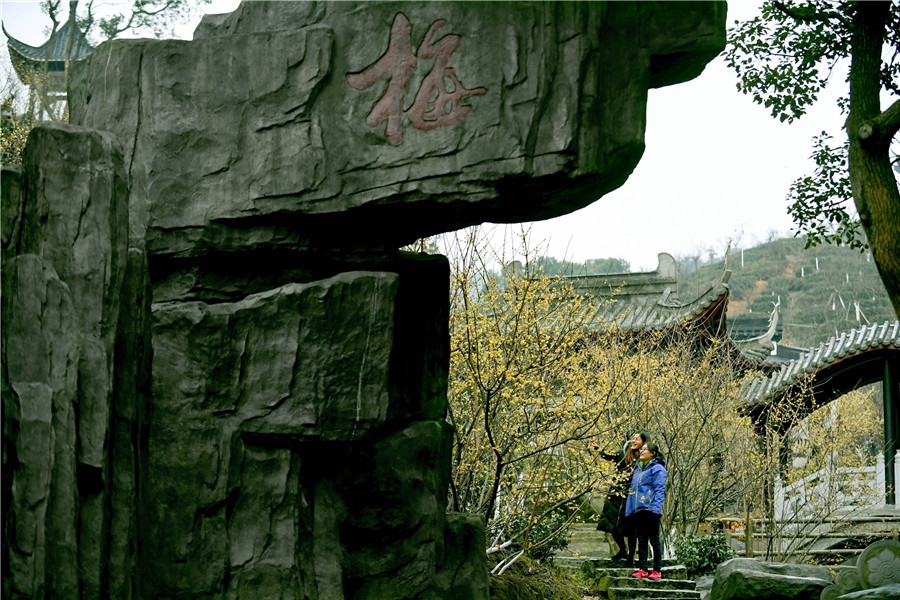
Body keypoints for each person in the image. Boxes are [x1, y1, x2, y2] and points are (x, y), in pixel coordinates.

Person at [593, 432, 648, 564]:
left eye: (637, 439)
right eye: (633, 438)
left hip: (632, 495)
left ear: (643, 443)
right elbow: (608, 455)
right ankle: (622, 550)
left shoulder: (644, 457)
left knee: (630, 527)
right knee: (611, 524)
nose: (634, 441)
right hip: (616, 493)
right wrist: (597, 448)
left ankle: (630, 557)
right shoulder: (623, 453)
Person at [624, 441, 667, 580]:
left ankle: (657, 570)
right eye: (641, 449)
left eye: (645, 449)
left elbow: (659, 490)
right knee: (641, 540)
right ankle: (643, 569)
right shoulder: (638, 469)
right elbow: (634, 489)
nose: (641, 451)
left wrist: (655, 509)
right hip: (638, 509)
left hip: (651, 509)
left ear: (653, 453)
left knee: (654, 540)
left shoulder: (658, 469)